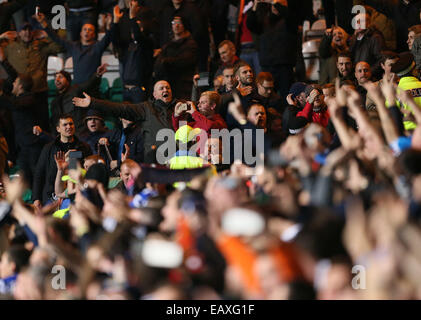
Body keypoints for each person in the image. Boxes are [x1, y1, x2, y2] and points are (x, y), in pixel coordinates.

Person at [72, 80, 176, 164]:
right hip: (153, 163)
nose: (165, 90)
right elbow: (120, 109)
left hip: (174, 159)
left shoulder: (179, 108)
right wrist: (93, 103)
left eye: (168, 88)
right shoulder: (146, 108)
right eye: (161, 88)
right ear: (154, 94)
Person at [1, 21, 62, 132]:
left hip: (39, 92)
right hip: (19, 95)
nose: (27, 32)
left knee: (42, 125)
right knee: (20, 127)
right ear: (18, 32)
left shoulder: (41, 45)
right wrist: (2, 36)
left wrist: (47, 34)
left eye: (30, 29)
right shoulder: (10, 47)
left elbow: (60, 47)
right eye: (24, 30)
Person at [36, 10, 114, 85]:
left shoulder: (97, 47)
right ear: (81, 33)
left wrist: (111, 24)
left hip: (93, 87)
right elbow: (56, 38)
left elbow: (108, 37)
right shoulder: (74, 46)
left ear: (94, 34)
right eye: (85, 29)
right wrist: (43, 23)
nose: (87, 32)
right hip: (77, 88)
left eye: (90, 30)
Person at [32, 114, 92, 207]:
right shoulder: (49, 148)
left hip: (76, 194)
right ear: (58, 129)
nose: (69, 127)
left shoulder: (83, 147)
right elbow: (39, 173)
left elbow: (88, 171)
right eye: (65, 125)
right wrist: (36, 198)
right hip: (51, 197)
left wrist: (73, 159)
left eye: (71, 124)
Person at [246, 0, 299, 101]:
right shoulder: (265, 20)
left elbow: (289, 16)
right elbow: (250, 24)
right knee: (265, 97)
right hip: (267, 66)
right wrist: (255, 4)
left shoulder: (289, 21)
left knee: (286, 97)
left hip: (284, 67)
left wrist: (274, 2)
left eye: (278, 3)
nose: (275, 5)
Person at [112, 2, 155, 103]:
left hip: (139, 90)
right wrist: (115, 22)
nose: (134, 29)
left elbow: (138, 36)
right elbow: (115, 40)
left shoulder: (147, 43)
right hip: (126, 90)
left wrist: (132, 17)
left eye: (137, 26)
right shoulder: (129, 45)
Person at [50, 65, 107, 136]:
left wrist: (97, 75)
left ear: (68, 81)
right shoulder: (54, 102)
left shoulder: (75, 90)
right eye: (55, 78)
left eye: (60, 77)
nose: (57, 80)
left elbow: (89, 84)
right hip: (63, 134)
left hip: (79, 132)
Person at [154, 16, 198, 100]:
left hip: (183, 86)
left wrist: (166, 61)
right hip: (170, 84)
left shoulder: (190, 44)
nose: (176, 26)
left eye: (179, 23)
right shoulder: (168, 44)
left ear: (184, 25)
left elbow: (184, 61)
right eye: (174, 23)